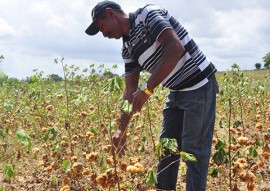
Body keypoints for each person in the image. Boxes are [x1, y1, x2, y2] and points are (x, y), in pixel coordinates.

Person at [85, 1, 219, 190]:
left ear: (111, 14)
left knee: (193, 152)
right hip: (176, 91)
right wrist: (120, 130)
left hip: (199, 86)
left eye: (101, 27)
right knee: (166, 149)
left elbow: (175, 47)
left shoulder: (148, 14)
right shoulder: (127, 47)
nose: (104, 34)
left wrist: (148, 88)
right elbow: (130, 89)